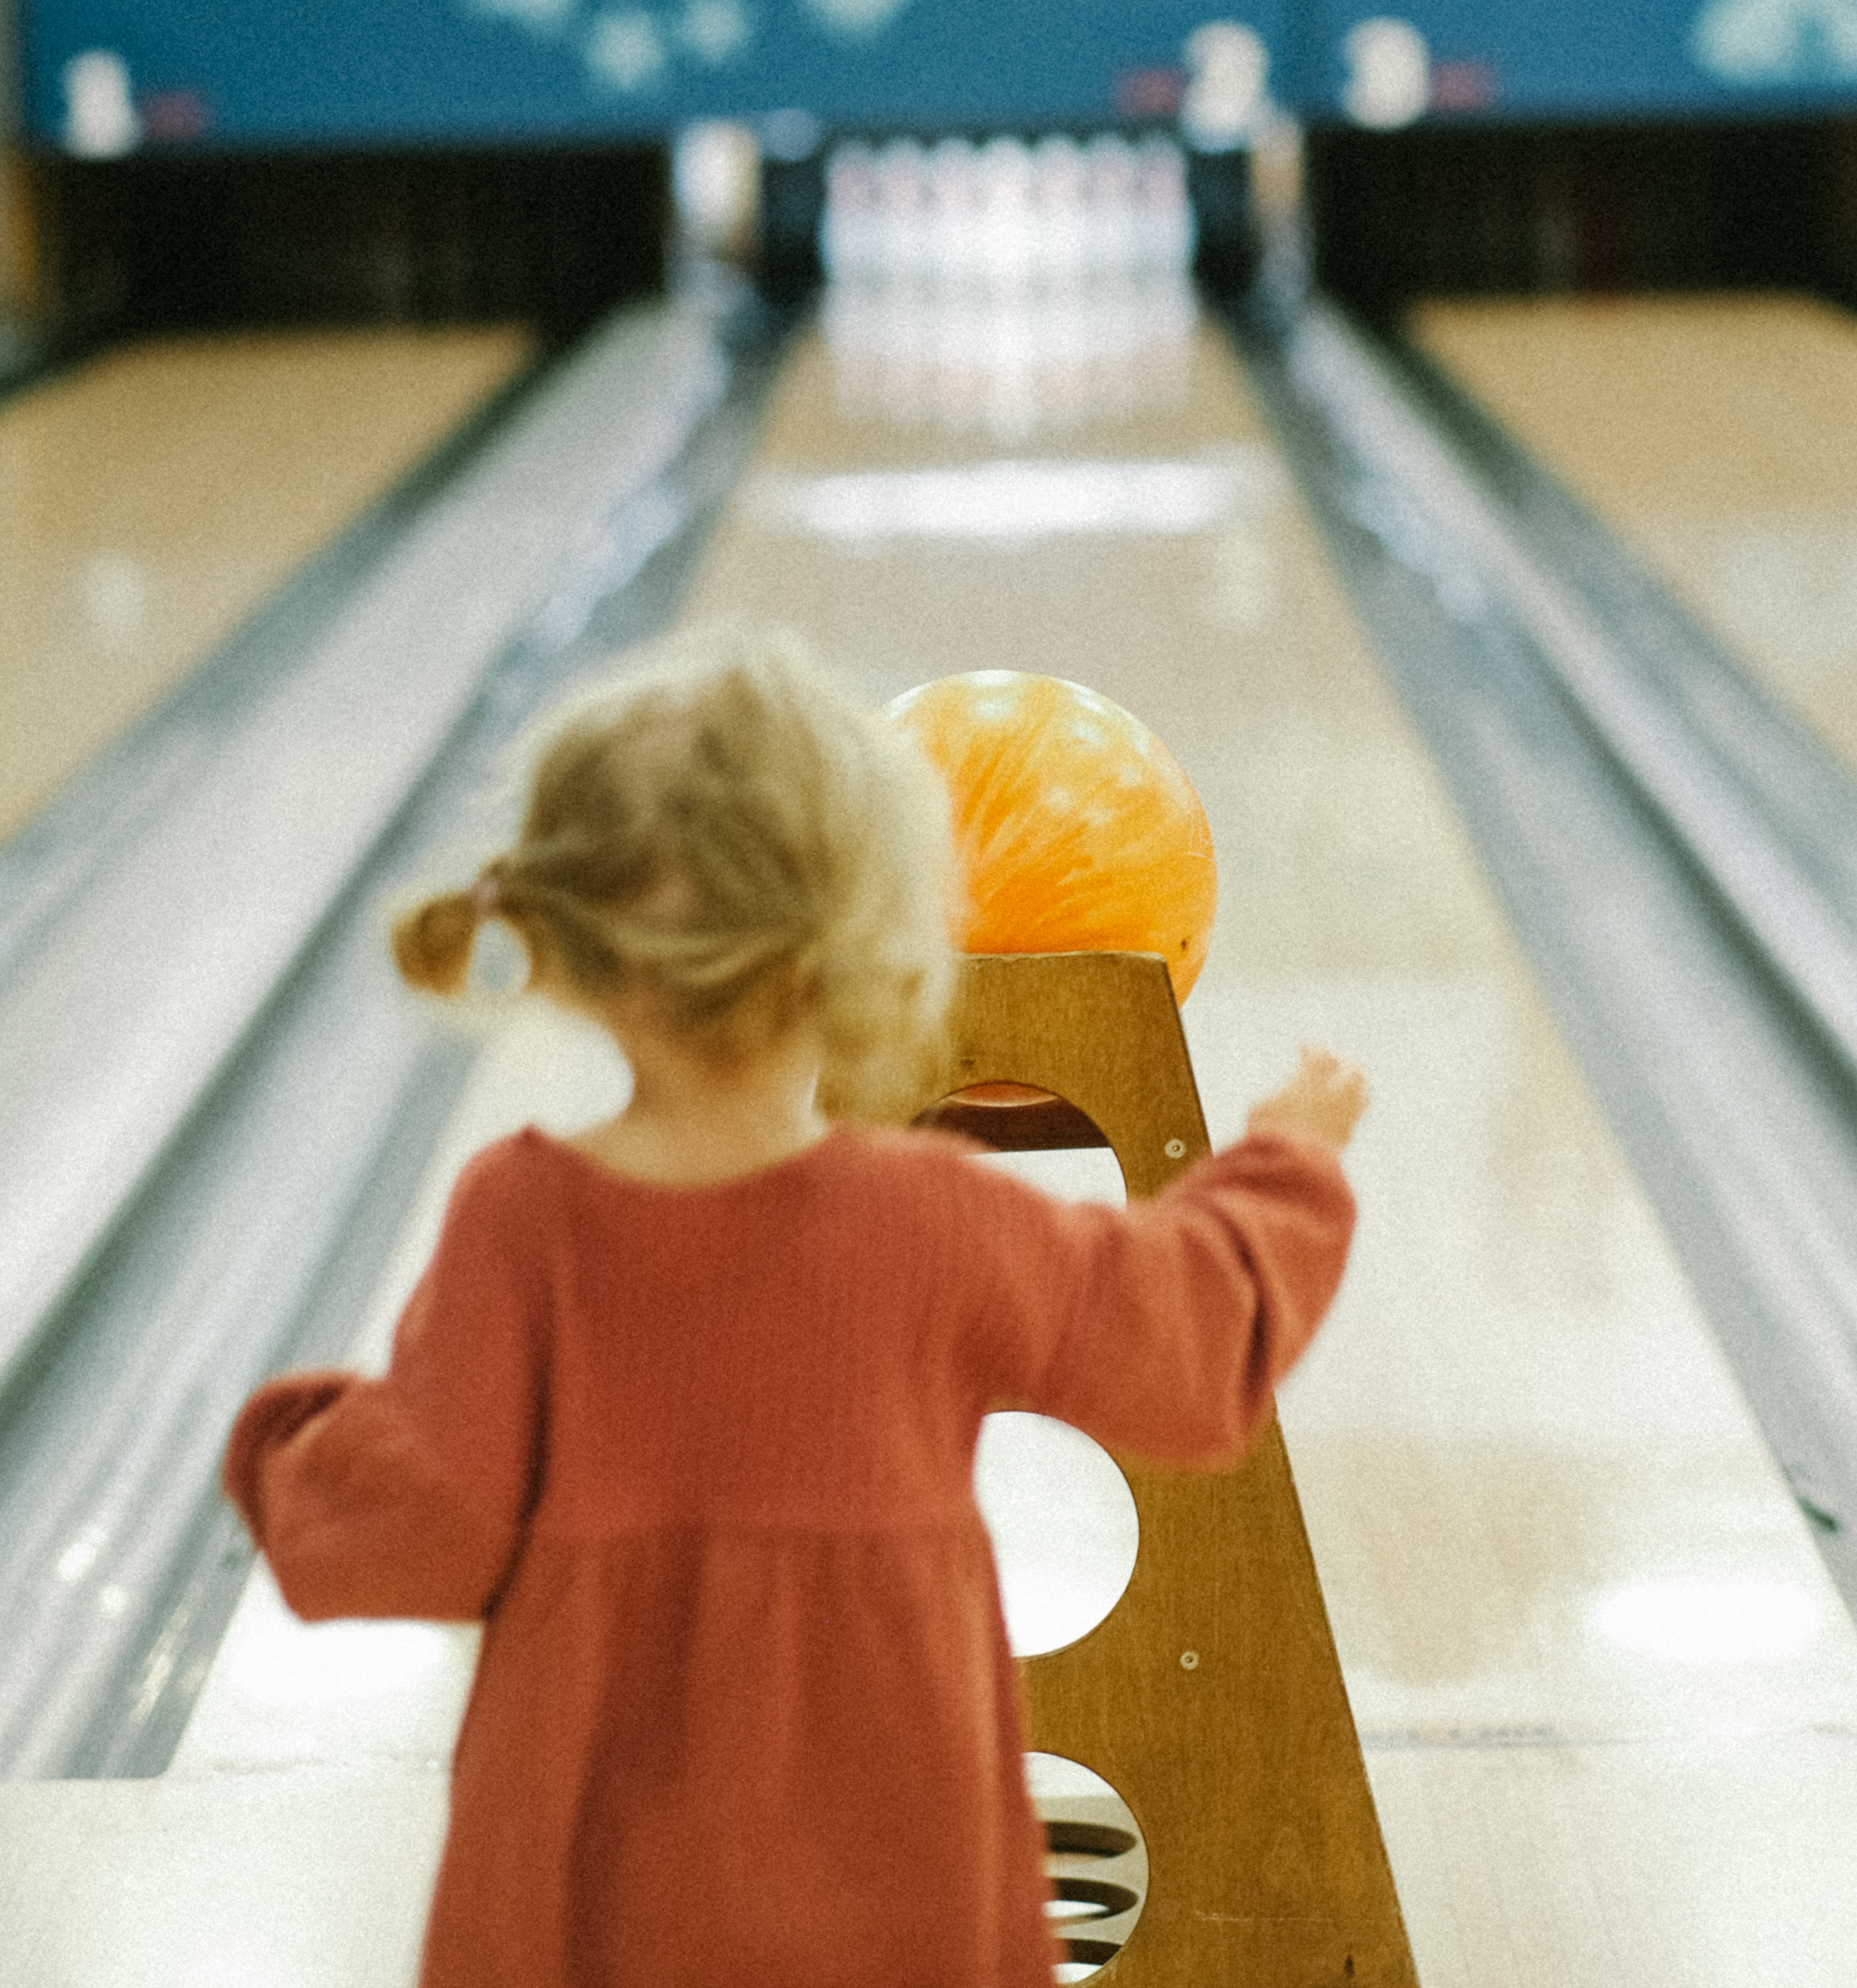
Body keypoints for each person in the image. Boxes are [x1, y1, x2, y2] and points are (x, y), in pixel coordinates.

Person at [224, 629, 1366, 1988]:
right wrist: (1290, 1162)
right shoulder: (935, 1219)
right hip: (900, 1883)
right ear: (882, 950)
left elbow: (410, 1527)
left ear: (566, 952)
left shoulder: (519, 1224)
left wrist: (291, 1443)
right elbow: (1190, 1341)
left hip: (602, 1895)